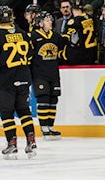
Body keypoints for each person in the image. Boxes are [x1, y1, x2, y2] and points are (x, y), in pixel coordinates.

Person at [0, 5, 37, 159]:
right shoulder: (23, 33)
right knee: (24, 110)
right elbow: (29, 56)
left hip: (6, 79)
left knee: (7, 112)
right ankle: (31, 140)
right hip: (24, 77)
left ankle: (12, 143)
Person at [29, 11, 65, 140]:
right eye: (47, 20)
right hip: (39, 74)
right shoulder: (33, 37)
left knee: (53, 99)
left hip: (53, 73)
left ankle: (50, 126)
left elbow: (62, 51)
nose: (50, 22)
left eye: (50, 19)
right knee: (43, 99)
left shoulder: (56, 36)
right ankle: (44, 127)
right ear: (40, 23)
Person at [62, 0, 98, 65]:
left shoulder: (73, 22)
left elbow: (67, 39)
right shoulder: (92, 18)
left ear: (71, 8)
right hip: (91, 54)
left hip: (78, 56)